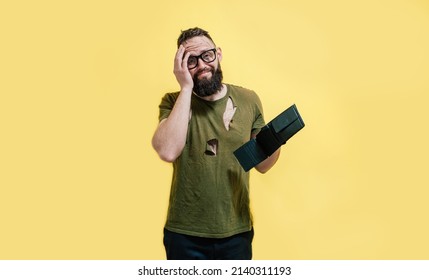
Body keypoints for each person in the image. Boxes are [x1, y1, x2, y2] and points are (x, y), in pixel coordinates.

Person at [152, 27, 281, 260]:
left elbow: (263, 165)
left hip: (236, 231)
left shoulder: (248, 99)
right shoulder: (173, 101)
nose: (202, 65)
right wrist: (185, 88)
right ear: (181, 66)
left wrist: (277, 137)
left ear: (218, 54)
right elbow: (168, 150)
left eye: (207, 55)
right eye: (191, 60)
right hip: (184, 233)